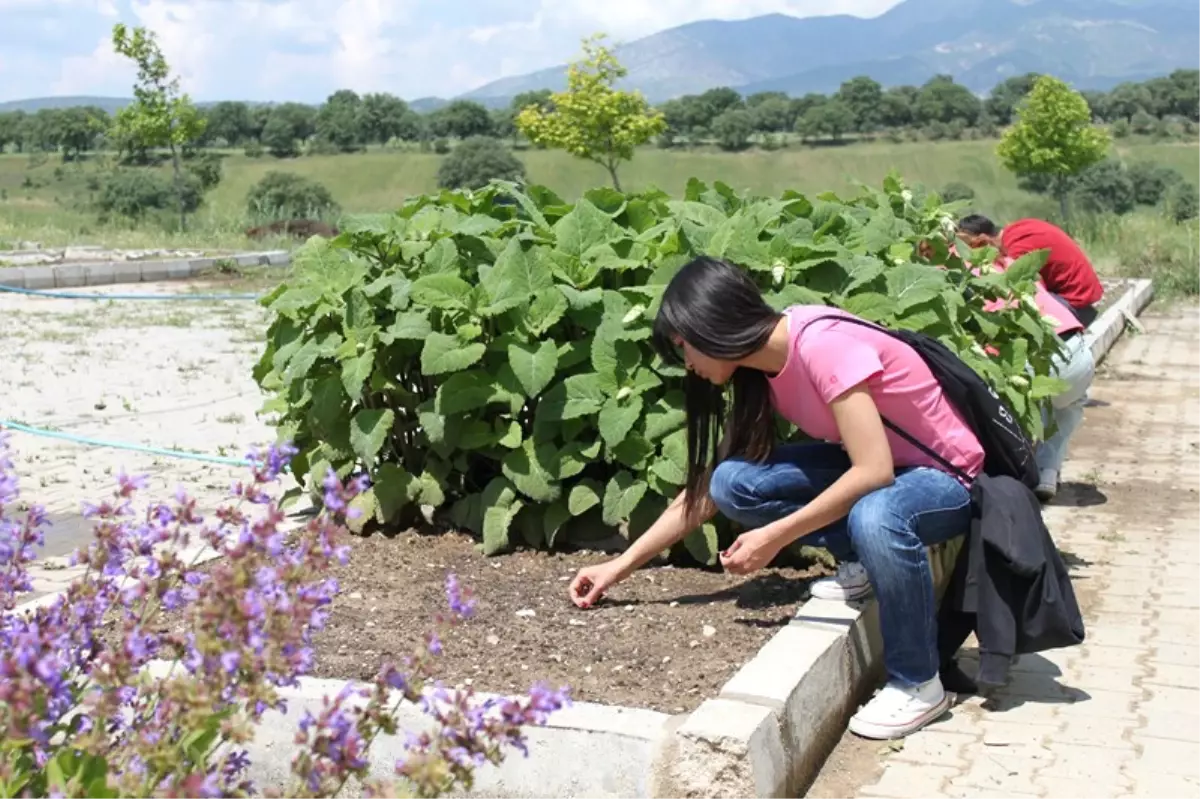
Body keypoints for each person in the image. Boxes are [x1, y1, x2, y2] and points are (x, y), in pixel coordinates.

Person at [568, 256, 984, 741]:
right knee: (731, 481)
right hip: (889, 471)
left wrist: (776, 535)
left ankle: (918, 684)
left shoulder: (822, 348)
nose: (687, 364)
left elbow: (874, 470)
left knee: (876, 514)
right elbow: (706, 495)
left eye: (685, 347)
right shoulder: (761, 369)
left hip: (944, 479)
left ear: (712, 325)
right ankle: (865, 564)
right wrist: (618, 568)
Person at [984, 254, 1095, 502]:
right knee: (1067, 402)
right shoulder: (1010, 264)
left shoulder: (967, 274)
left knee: (1016, 407)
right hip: (1078, 352)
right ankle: (1047, 471)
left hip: (1038, 357)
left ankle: (1014, 477)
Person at [957, 215, 1104, 327]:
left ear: (984, 240)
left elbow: (1035, 294)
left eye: (975, 248)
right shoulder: (1019, 228)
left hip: (1076, 303)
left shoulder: (1016, 250)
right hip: (1085, 295)